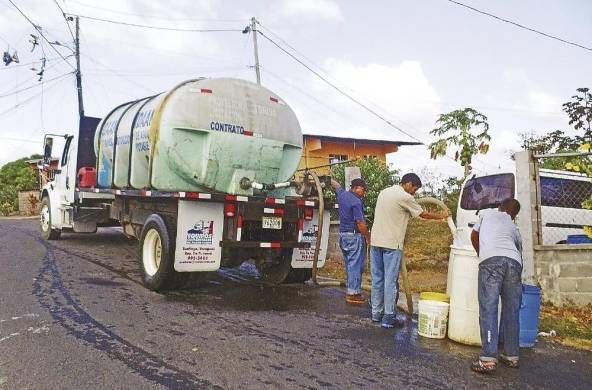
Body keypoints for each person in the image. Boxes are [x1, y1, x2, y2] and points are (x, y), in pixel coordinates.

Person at [370, 173, 448, 328]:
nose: (414, 192)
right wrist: (442, 215)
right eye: (414, 188)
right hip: (391, 244)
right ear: (408, 184)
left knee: (377, 279)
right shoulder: (404, 197)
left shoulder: (384, 192)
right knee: (390, 282)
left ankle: (376, 314)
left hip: (376, 241)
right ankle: (388, 318)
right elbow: (423, 214)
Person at [470, 198, 523, 374]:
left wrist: (482, 254)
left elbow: (474, 235)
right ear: (514, 214)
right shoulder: (513, 226)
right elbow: (517, 249)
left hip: (491, 261)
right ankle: (511, 355)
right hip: (514, 263)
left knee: (489, 308)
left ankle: (488, 359)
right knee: (511, 309)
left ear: (500, 206)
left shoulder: (487, 214)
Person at [331, 178, 370, 304]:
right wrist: (368, 238)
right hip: (354, 236)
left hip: (343, 236)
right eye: (363, 190)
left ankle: (352, 290)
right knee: (355, 265)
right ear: (356, 187)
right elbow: (360, 222)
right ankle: (353, 294)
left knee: (350, 264)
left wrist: (325, 179)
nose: (364, 193)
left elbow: (336, 185)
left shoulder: (343, 195)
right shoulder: (356, 202)